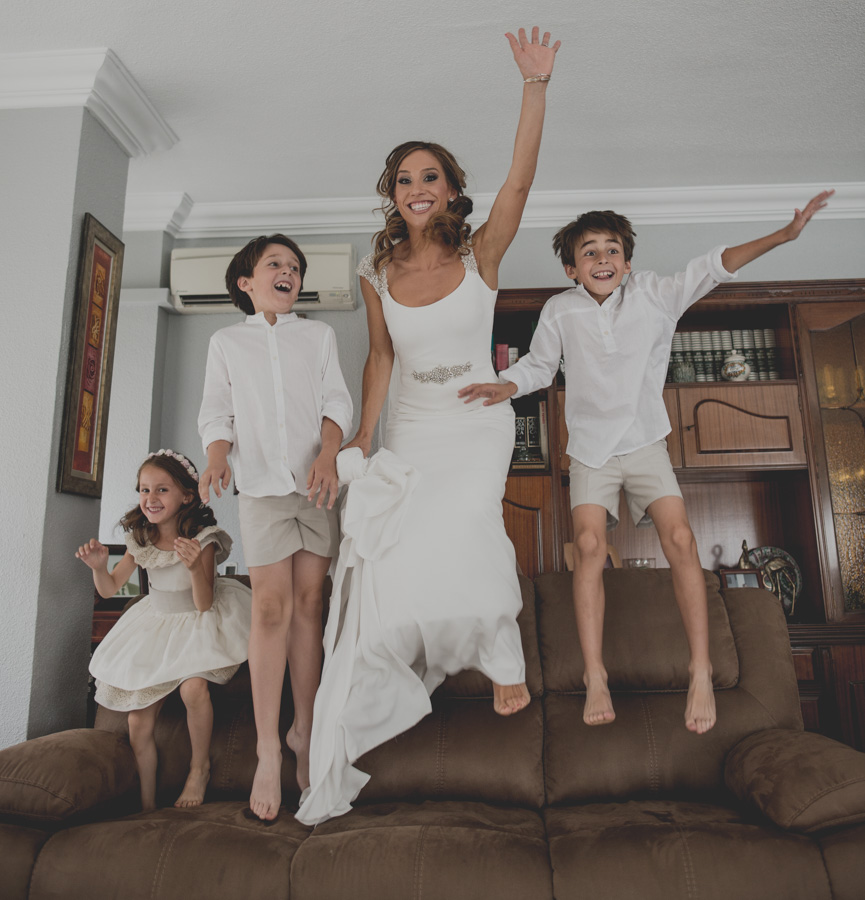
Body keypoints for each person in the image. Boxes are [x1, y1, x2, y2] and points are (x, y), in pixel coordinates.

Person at [296, 26, 561, 826]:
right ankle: (403, 665)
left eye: (432, 176)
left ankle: (500, 653)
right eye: (405, 178)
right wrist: (362, 435)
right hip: (408, 424)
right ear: (394, 194)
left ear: (450, 191)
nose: (417, 186)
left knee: (469, 523)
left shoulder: (482, 254)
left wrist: (534, 88)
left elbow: (517, 182)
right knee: (401, 554)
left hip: (473, 422)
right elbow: (378, 358)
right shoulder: (376, 271)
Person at [459, 189, 835, 735]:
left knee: (680, 540)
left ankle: (700, 669)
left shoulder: (657, 294)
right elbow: (540, 366)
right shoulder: (561, 310)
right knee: (588, 548)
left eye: (612, 250)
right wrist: (505, 386)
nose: (603, 259)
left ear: (628, 261)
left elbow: (715, 265)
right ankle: (595, 675)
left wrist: (784, 234)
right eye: (589, 252)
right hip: (590, 449)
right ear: (571, 268)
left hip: (644, 443)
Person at [198, 234, 353, 822]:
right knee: (272, 608)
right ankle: (268, 749)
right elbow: (217, 409)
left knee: (312, 605)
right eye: (275, 265)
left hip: (317, 487)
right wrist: (217, 458)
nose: (287, 272)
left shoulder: (318, 336)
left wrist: (328, 456)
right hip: (261, 489)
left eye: (294, 266)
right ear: (247, 282)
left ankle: (304, 734)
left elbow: (336, 402)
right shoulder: (226, 342)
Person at [80, 449, 252, 811]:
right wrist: (99, 567)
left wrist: (192, 568)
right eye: (144, 490)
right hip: (156, 623)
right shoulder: (140, 539)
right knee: (138, 719)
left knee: (193, 688)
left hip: (198, 621)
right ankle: (146, 804)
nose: (150, 499)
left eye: (162, 490)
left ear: (186, 496)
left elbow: (204, 603)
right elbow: (111, 588)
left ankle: (199, 768)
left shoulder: (202, 538)